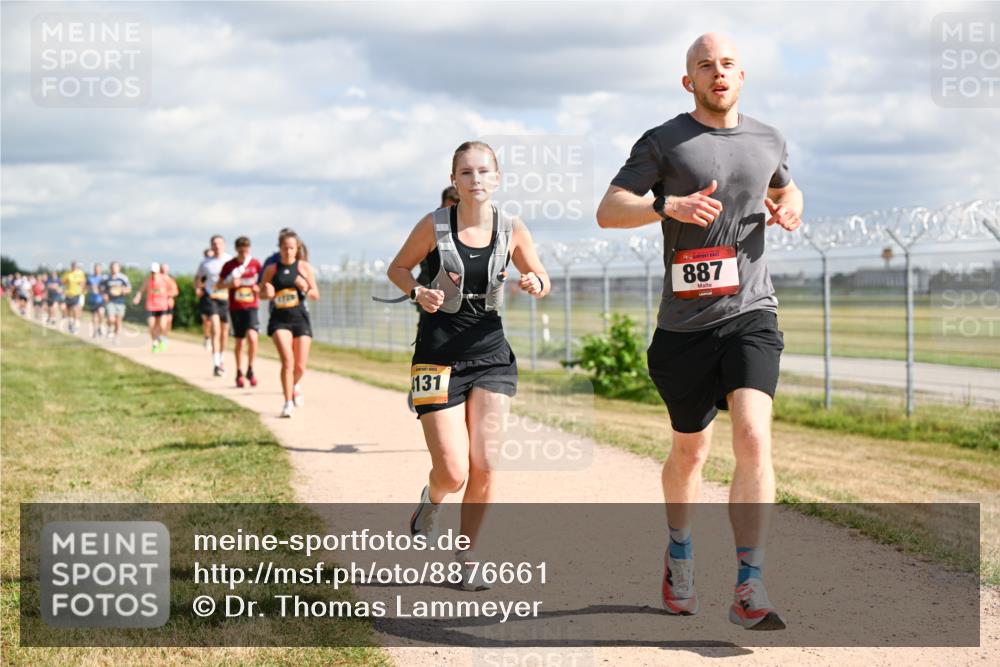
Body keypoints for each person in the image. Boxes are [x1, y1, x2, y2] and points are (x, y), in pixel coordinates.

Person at [596, 33, 804, 631]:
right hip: (684, 327)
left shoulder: (768, 138)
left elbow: (785, 187)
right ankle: (680, 554)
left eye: (729, 64)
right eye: (705, 65)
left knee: (753, 439)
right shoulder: (663, 140)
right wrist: (668, 207)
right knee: (691, 450)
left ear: (743, 76)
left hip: (751, 313)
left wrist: (791, 209)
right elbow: (609, 210)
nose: (719, 72)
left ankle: (749, 581)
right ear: (688, 80)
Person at [386, 141, 549, 590]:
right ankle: (431, 500)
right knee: (453, 472)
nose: (475, 180)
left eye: (483, 172)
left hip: (491, 355)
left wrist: (535, 281)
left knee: (487, 464)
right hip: (437, 355)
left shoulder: (512, 228)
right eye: (466, 173)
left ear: (496, 178)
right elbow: (398, 269)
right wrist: (417, 292)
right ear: (454, 181)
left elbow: (540, 274)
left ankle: (468, 556)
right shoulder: (434, 225)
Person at [260, 230, 318, 417]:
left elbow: (315, 295)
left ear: (297, 248)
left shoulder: (304, 268)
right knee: (288, 361)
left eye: (291, 247)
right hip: (279, 320)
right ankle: (287, 402)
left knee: (300, 366)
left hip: (300, 319)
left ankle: (294, 385)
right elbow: (261, 292)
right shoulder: (272, 269)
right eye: (284, 247)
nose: (287, 251)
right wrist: (266, 293)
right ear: (279, 248)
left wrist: (305, 286)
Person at [217, 236, 262, 388]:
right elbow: (218, 285)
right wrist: (230, 284)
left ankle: (250, 369)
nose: (244, 253)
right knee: (239, 342)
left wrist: (259, 288)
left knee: (253, 337)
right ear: (236, 250)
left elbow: (264, 282)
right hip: (236, 308)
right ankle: (238, 371)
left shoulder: (255, 264)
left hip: (252, 306)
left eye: (246, 250)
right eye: (241, 250)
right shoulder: (229, 265)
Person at [195, 236, 233, 376]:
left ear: (224, 245)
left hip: (227, 299)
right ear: (211, 246)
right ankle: (216, 363)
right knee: (216, 329)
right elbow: (198, 277)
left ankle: (221, 358)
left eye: (220, 243)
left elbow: (237, 278)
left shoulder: (230, 261)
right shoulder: (205, 263)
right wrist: (197, 288)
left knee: (224, 331)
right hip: (212, 298)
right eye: (214, 244)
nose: (217, 246)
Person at [132, 262, 170, 352]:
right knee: (151, 326)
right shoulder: (148, 280)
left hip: (162, 306)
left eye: (155, 272)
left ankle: (162, 338)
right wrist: (137, 297)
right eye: (152, 272)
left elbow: (173, 290)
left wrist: (167, 296)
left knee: (162, 325)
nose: (153, 274)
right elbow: (141, 291)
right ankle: (155, 343)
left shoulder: (165, 279)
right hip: (151, 306)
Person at [102, 261, 131, 344]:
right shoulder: (106, 278)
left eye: (116, 267)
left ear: (119, 268)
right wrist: (104, 295)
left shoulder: (123, 278)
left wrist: (124, 291)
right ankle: (110, 328)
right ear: (110, 268)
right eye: (113, 267)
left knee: (118, 321)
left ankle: (116, 337)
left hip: (120, 302)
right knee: (111, 319)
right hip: (110, 302)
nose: (114, 269)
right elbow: (102, 289)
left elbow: (128, 288)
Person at [60, 262, 87, 333]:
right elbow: (62, 282)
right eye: (73, 266)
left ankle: (76, 325)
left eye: (75, 266)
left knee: (75, 309)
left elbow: (83, 283)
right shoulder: (67, 274)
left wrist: (82, 290)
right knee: (69, 311)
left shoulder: (80, 274)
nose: (74, 267)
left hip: (76, 294)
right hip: (68, 294)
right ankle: (71, 324)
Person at [159, 263, 180, 349]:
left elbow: (175, 291)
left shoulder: (171, 279)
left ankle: (165, 336)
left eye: (166, 268)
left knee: (168, 321)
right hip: (159, 304)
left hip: (169, 304)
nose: (164, 270)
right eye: (163, 268)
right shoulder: (157, 279)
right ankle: (159, 336)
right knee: (160, 322)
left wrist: (166, 294)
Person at [85, 263, 107, 337]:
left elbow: (106, 288)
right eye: (96, 268)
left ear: (101, 269)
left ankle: (100, 326)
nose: (97, 270)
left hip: (101, 299)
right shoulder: (90, 278)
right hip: (93, 299)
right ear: (94, 269)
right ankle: (94, 331)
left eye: (98, 268)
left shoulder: (104, 278)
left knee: (101, 314)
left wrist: (102, 291)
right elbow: (86, 288)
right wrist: (91, 289)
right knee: (94, 316)